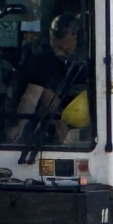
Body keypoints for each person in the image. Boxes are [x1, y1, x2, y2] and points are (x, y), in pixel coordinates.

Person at [14, 12, 91, 146]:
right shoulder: (43, 62)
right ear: (58, 37)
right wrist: (19, 126)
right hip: (56, 118)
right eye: (73, 34)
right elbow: (31, 97)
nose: (77, 39)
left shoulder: (80, 63)